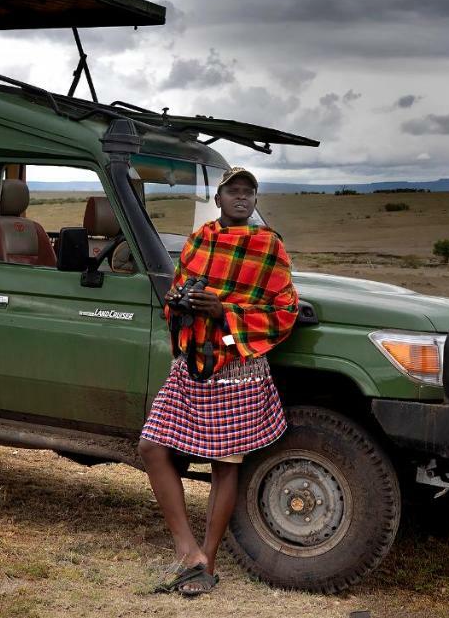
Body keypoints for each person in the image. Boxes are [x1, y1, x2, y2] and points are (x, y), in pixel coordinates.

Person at [138, 166, 299, 597]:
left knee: (225, 462)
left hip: (236, 367)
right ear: (219, 198)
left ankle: (206, 562)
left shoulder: (269, 247)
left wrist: (223, 313)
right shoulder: (200, 241)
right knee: (152, 447)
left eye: (249, 192)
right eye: (233, 191)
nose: (241, 198)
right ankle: (188, 551)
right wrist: (181, 303)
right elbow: (174, 298)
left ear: (255, 201)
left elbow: (285, 312)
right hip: (192, 364)